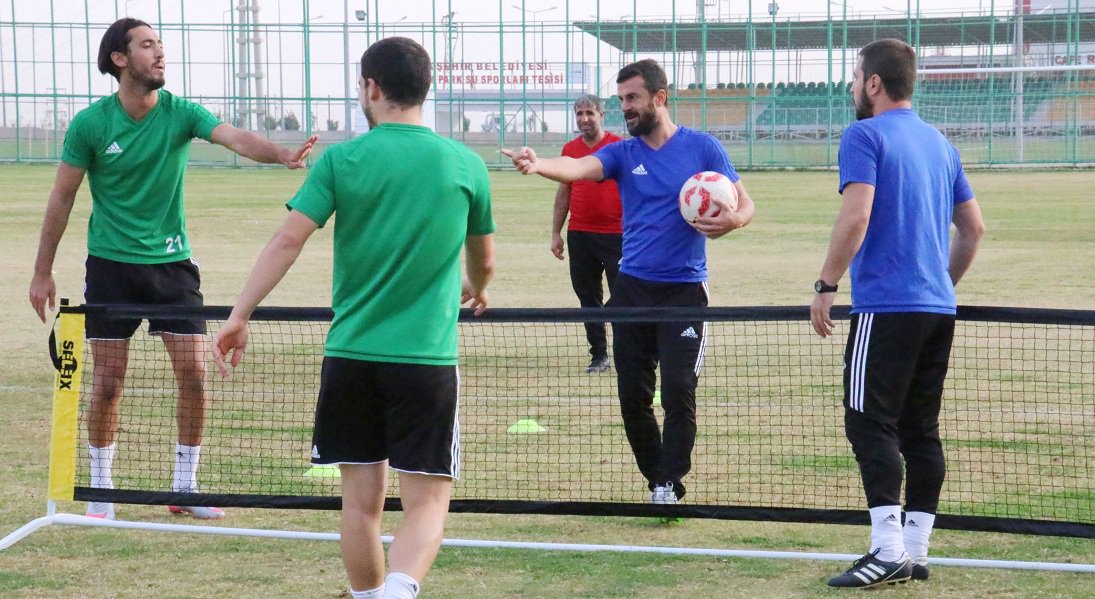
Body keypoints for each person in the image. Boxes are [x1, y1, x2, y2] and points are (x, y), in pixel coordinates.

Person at [212, 37, 495, 599]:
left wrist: (239, 314)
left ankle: (371, 596)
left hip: (350, 359)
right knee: (427, 503)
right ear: (425, 87)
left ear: (371, 87)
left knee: (360, 506)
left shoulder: (342, 159)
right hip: (425, 363)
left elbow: (287, 240)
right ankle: (395, 592)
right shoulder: (465, 163)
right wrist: (475, 287)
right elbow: (484, 260)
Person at [27, 18, 317, 521]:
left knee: (195, 376)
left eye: (160, 44)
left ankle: (185, 488)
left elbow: (236, 138)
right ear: (120, 60)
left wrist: (282, 155)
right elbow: (62, 197)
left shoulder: (181, 112)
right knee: (109, 383)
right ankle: (103, 490)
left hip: (173, 267)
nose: (160, 53)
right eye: (146, 45)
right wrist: (42, 272)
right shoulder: (91, 124)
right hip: (112, 268)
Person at [504, 59, 755, 505]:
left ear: (660, 98)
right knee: (631, 397)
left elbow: (746, 203)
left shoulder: (703, 148)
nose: (626, 108)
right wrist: (540, 164)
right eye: (621, 101)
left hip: (684, 291)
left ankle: (671, 481)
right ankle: (657, 478)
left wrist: (733, 219)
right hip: (632, 291)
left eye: (633, 98)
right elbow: (577, 169)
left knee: (679, 390)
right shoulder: (623, 153)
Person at [810, 39, 985, 588]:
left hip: (886, 306)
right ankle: (914, 550)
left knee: (868, 421)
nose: (851, 85)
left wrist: (825, 285)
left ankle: (887, 551)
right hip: (937, 309)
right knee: (920, 430)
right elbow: (973, 228)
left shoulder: (863, 135)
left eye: (855, 75)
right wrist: (939, 286)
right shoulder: (940, 143)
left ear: (874, 84)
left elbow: (856, 216)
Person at [551, 94, 623, 374]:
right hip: (580, 234)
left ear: (602, 114)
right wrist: (556, 232)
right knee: (587, 298)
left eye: (589, 113)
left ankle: (627, 352)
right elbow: (563, 191)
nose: (584, 119)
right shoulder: (570, 148)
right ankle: (599, 356)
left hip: (617, 235)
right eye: (579, 114)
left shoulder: (619, 147)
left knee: (624, 296)